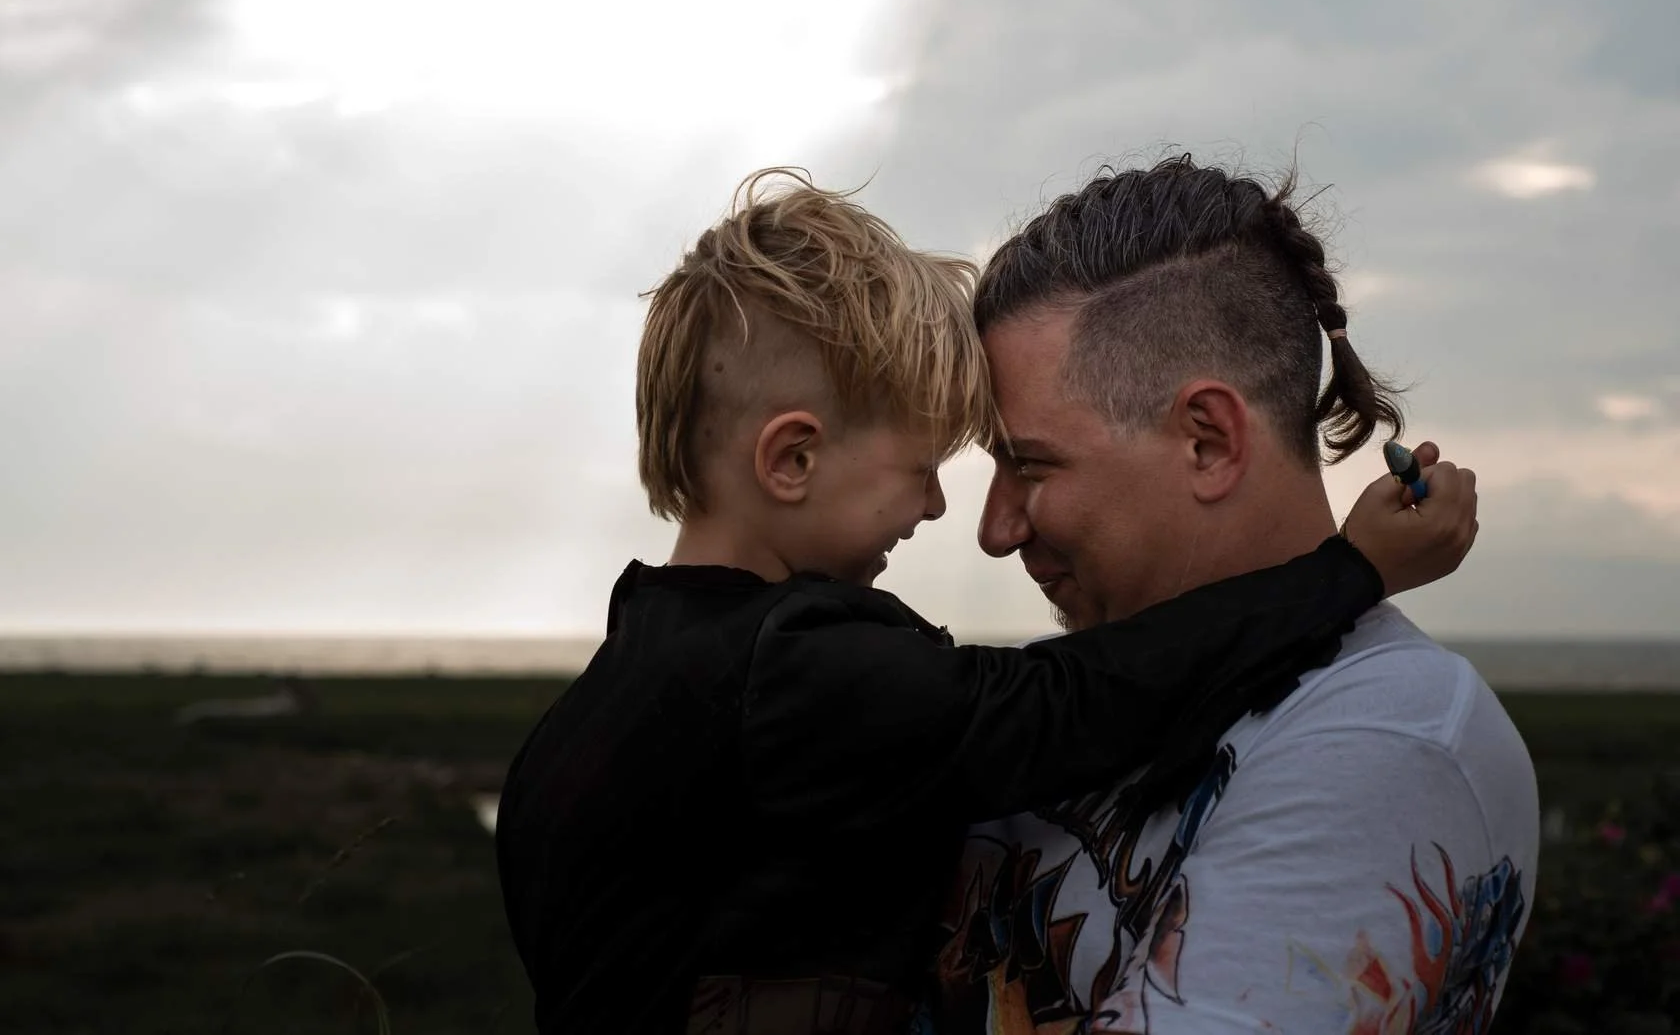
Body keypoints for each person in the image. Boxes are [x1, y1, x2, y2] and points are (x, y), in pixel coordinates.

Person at [494, 168, 1479, 1035]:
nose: (953, 515)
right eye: (928, 467)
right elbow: (1062, 704)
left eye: (1027, 465)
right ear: (790, 459)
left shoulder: (600, 705)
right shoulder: (800, 668)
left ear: (1210, 440)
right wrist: (1345, 576)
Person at [926, 156, 1538, 1035]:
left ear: (1209, 441)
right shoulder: (1058, 700)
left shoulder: (1387, 736)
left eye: (1029, 464)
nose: (995, 529)